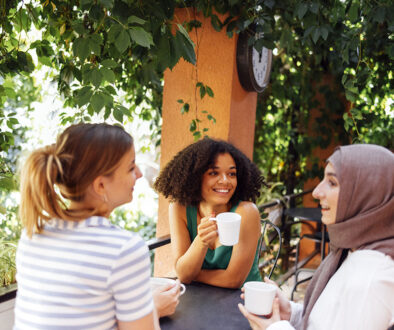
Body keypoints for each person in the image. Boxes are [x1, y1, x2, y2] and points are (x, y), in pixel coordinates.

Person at [14, 123, 180, 330]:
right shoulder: (123, 249)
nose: (138, 174)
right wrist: (150, 309)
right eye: (130, 167)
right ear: (100, 185)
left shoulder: (32, 235)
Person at [238, 144, 394, 330]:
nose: (316, 192)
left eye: (333, 183)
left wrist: (275, 327)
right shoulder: (354, 251)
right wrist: (291, 312)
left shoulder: (372, 278)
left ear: (368, 194)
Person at [154, 138, 266, 288]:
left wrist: (192, 275)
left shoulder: (246, 213)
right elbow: (183, 274)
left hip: (245, 302)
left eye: (232, 174)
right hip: (202, 299)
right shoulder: (179, 208)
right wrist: (201, 241)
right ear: (195, 176)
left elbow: (234, 280)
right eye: (214, 173)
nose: (225, 181)